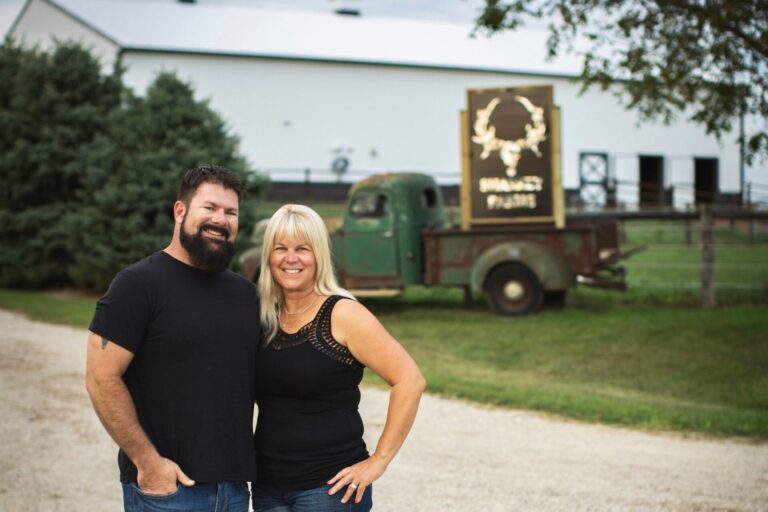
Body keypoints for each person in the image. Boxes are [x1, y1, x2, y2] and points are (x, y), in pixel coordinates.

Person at [85, 165, 261, 512]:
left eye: (231, 212)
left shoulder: (245, 294)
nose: (221, 220)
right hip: (168, 493)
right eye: (209, 207)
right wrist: (148, 463)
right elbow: (100, 379)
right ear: (180, 210)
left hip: (234, 491)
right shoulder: (137, 285)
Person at [252, 204, 426, 511]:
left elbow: (409, 381)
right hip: (268, 488)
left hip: (329, 490)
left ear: (319, 254)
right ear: (269, 256)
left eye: (302, 249)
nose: (290, 258)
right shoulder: (264, 316)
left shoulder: (343, 313)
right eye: (280, 248)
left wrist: (378, 461)